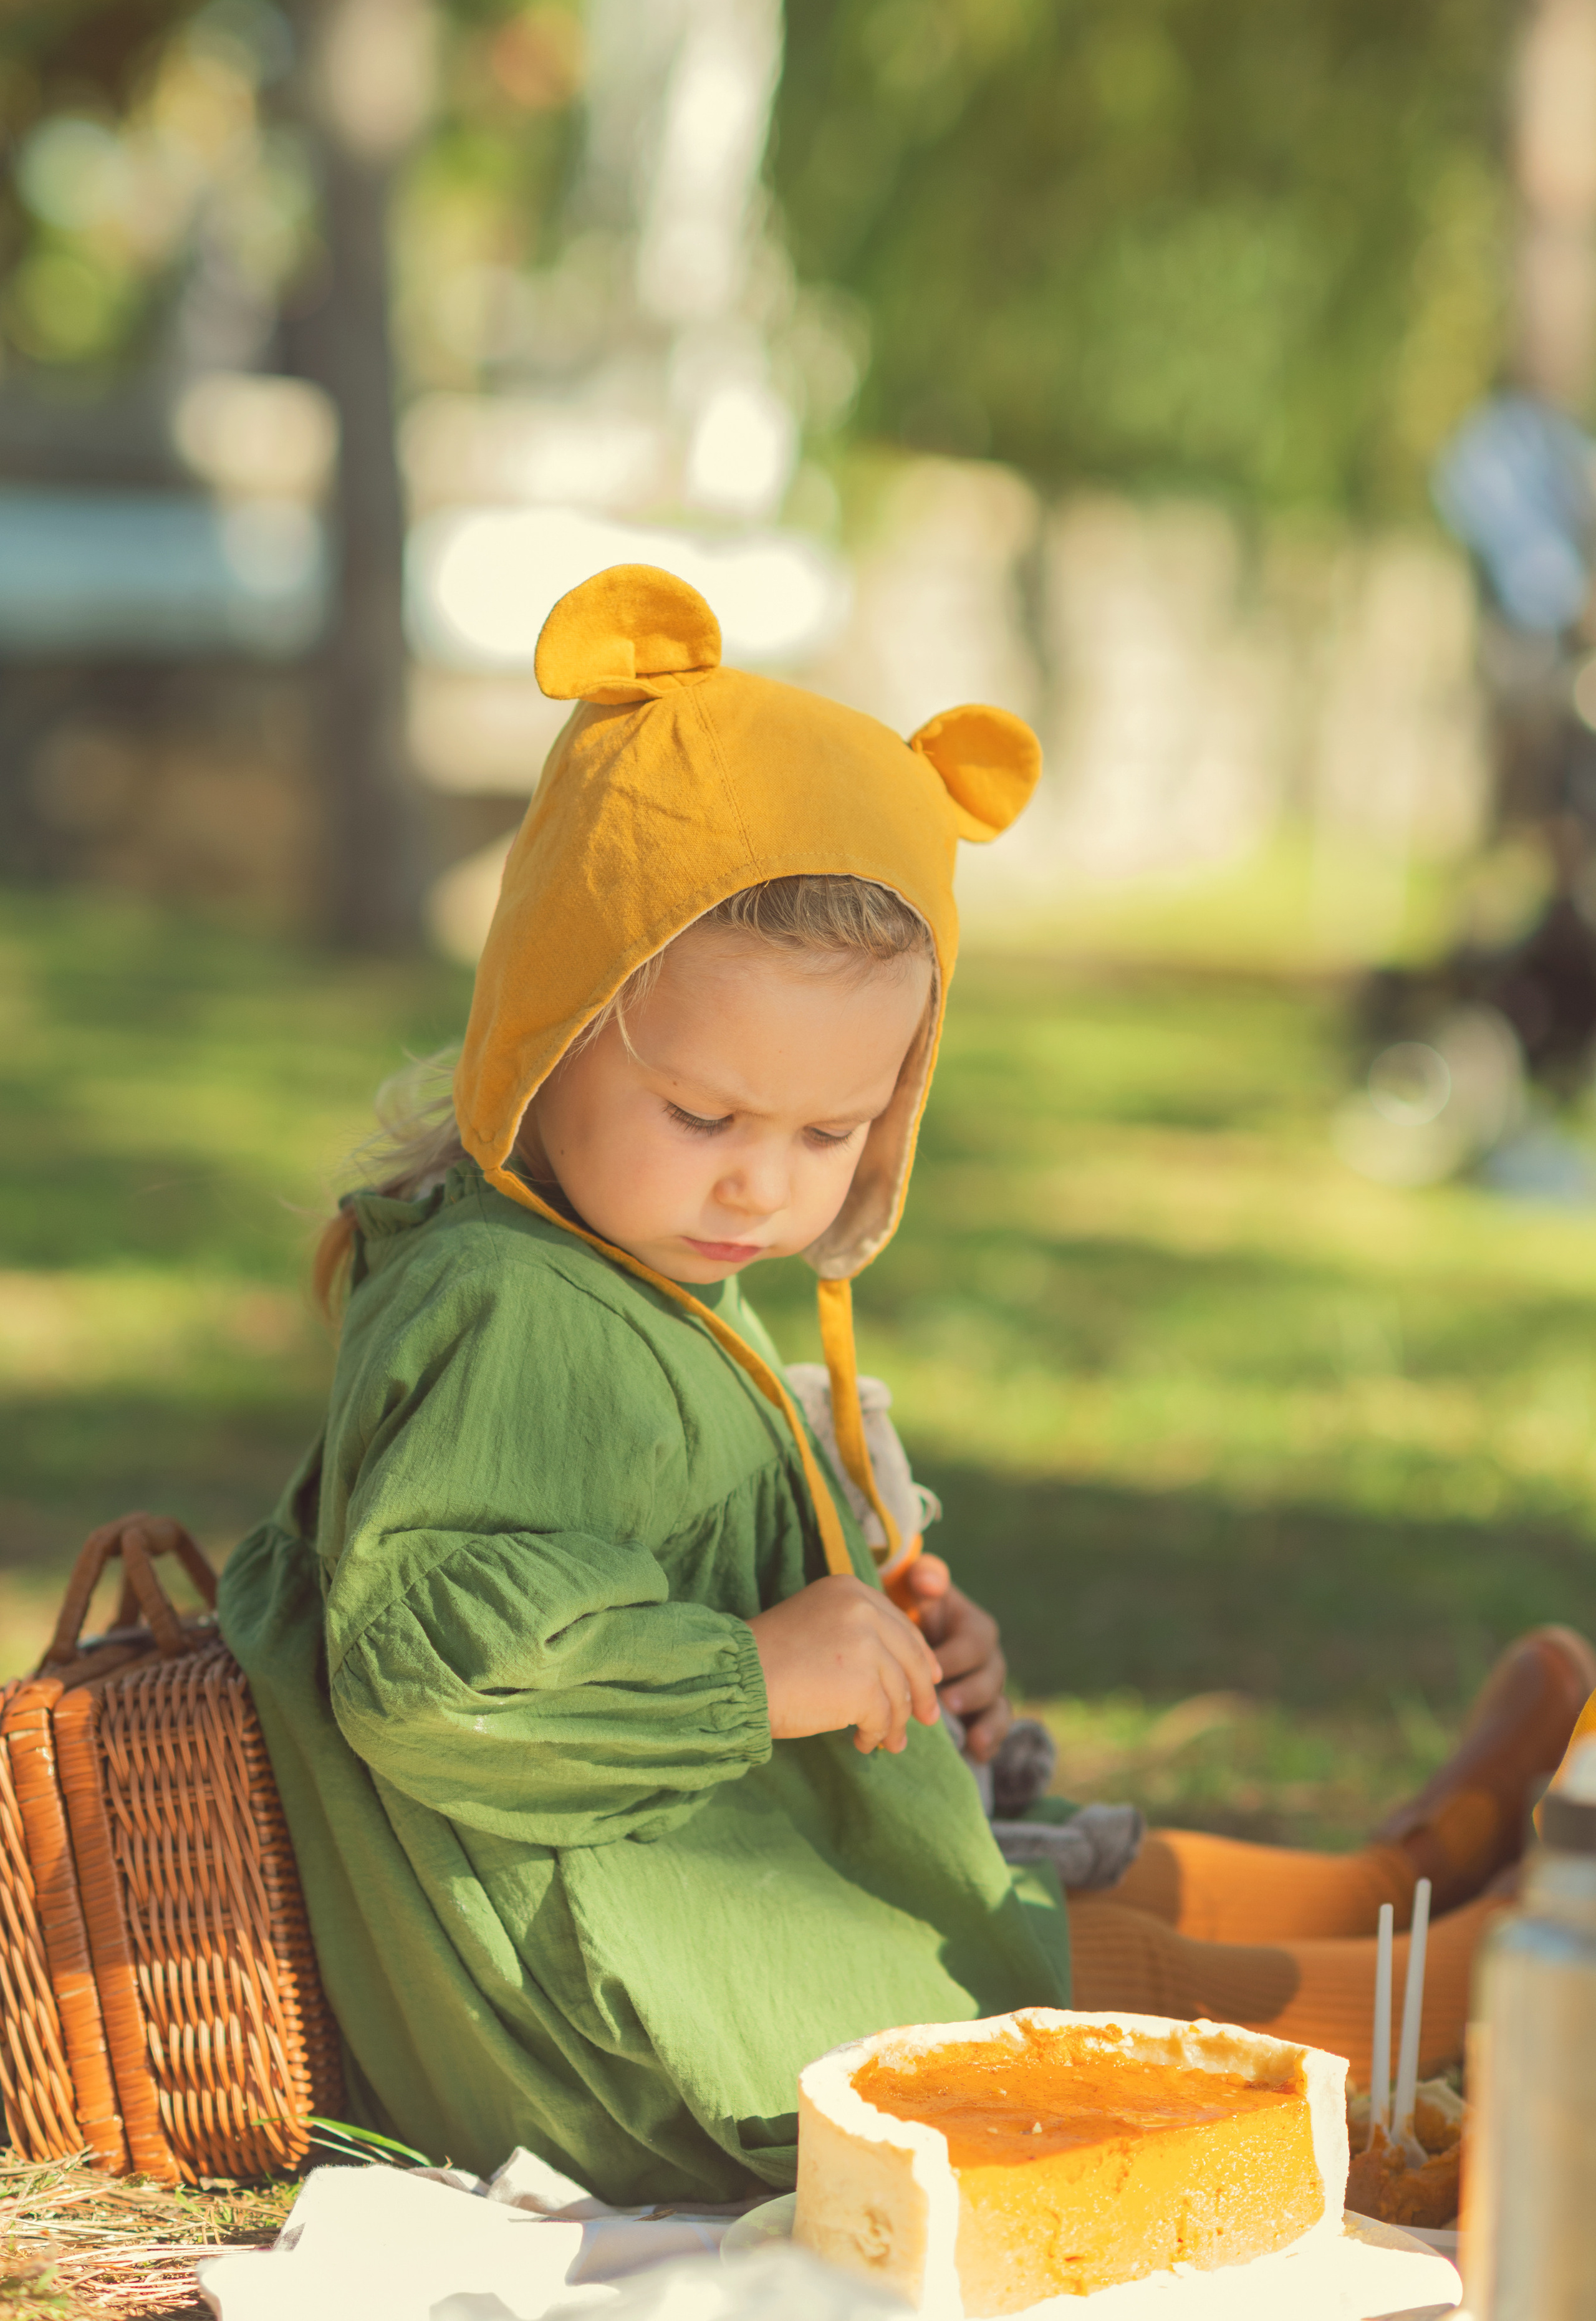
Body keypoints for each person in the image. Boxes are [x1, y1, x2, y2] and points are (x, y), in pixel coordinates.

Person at [221, 564, 1595, 2203]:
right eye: (705, 1116)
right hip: (610, 2019)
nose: (761, 1184)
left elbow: (642, 1568)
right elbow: (439, 1670)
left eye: (831, 1133)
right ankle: (1457, 2005)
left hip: (693, 1880)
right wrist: (759, 1672)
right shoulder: (507, 1310)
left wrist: (880, 1640)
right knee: (1022, 1979)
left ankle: (1399, 1879)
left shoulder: (626, 1261)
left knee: (1029, 1879)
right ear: (549, 1020)